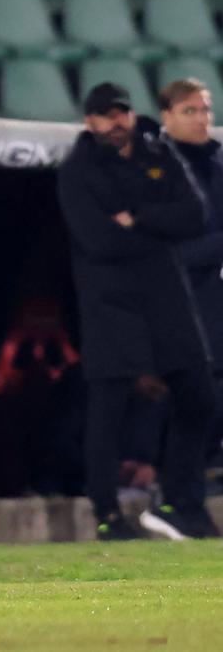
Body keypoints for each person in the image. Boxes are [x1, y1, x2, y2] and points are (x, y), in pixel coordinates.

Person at [57, 83, 217, 541]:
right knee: (107, 409)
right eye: (105, 116)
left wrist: (140, 217)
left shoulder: (158, 155)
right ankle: (107, 513)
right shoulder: (77, 171)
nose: (115, 123)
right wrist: (157, 228)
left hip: (167, 296)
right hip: (110, 303)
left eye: (120, 114)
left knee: (199, 397)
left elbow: (194, 215)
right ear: (89, 122)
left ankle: (177, 500)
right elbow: (98, 240)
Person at [159, 79, 223, 480]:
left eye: (205, 111)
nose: (201, 120)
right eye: (189, 111)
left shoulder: (218, 165)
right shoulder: (155, 169)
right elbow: (167, 254)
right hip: (176, 310)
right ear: (167, 116)